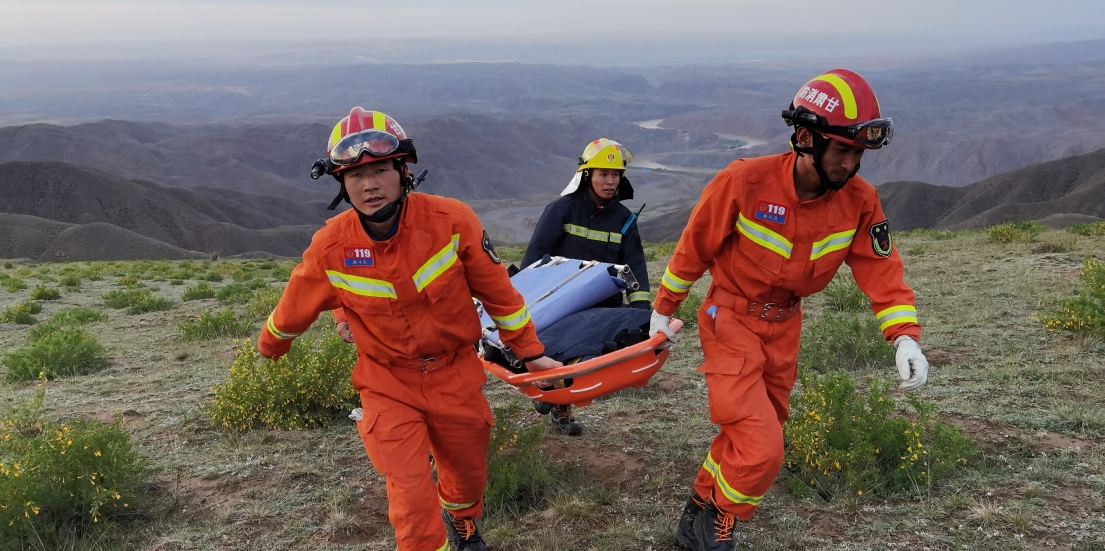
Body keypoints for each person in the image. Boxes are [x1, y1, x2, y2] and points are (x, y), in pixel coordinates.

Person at [647, 70, 930, 551]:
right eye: (842, 150)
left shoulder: (861, 202)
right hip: (729, 319)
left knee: (753, 432)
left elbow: (883, 271)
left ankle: (696, 510)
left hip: (785, 327)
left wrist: (904, 335)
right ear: (805, 138)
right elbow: (693, 248)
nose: (851, 164)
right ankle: (720, 524)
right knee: (762, 448)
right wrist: (663, 309)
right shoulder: (744, 182)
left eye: (858, 153)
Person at [256, 107, 562, 551]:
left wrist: (531, 353)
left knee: (468, 474)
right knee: (411, 496)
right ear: (341, 184)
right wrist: (269, 347)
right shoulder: (331, 247)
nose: (369, 184)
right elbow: (292, 308)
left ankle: (463, 522)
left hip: (455, 372)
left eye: (379, 169)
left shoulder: (452, 221)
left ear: (403, 170)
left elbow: (500, 295)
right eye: (355, 175)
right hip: (386, 383)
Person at [520, 137, 652, 436]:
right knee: (558, 354)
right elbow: (533, 260)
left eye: (615, 175)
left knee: (583, 358)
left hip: (602, 306)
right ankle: (558, 404)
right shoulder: (561, 210)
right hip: (558, 302)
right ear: (587, 175)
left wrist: (642, 311)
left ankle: (556, 399)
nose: (610, 181)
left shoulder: (624, 220)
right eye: (603, 174)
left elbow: (636, 266)